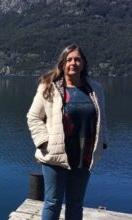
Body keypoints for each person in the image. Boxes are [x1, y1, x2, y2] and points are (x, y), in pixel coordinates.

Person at [27, 44, 108, 220]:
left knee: (76, 202)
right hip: (55, 156)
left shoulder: (95, 90)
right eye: (69, 59)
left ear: (83, 64)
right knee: (52, 202)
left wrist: (103, 141)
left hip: (84, 157)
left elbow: (102, 118)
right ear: (62, 63)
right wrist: (44, 142)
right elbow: (34, 117)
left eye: (77, 59)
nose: (73, 63)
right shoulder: (48, 87)